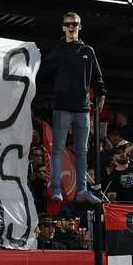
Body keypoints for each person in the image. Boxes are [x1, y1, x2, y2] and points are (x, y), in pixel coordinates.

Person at [44, 12, 106, 204]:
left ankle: (82, 190)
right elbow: (43, 67)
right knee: (58, 150)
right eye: (67, 24)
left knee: (82, 151)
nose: (71, 27)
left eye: (75, 24)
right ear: (63, 27)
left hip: (82, 109)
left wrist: (102, 93)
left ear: (80, 27)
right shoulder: (59, 49)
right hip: (62, 107)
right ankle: (56, 188)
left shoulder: (88, 51)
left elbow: (97, 76)